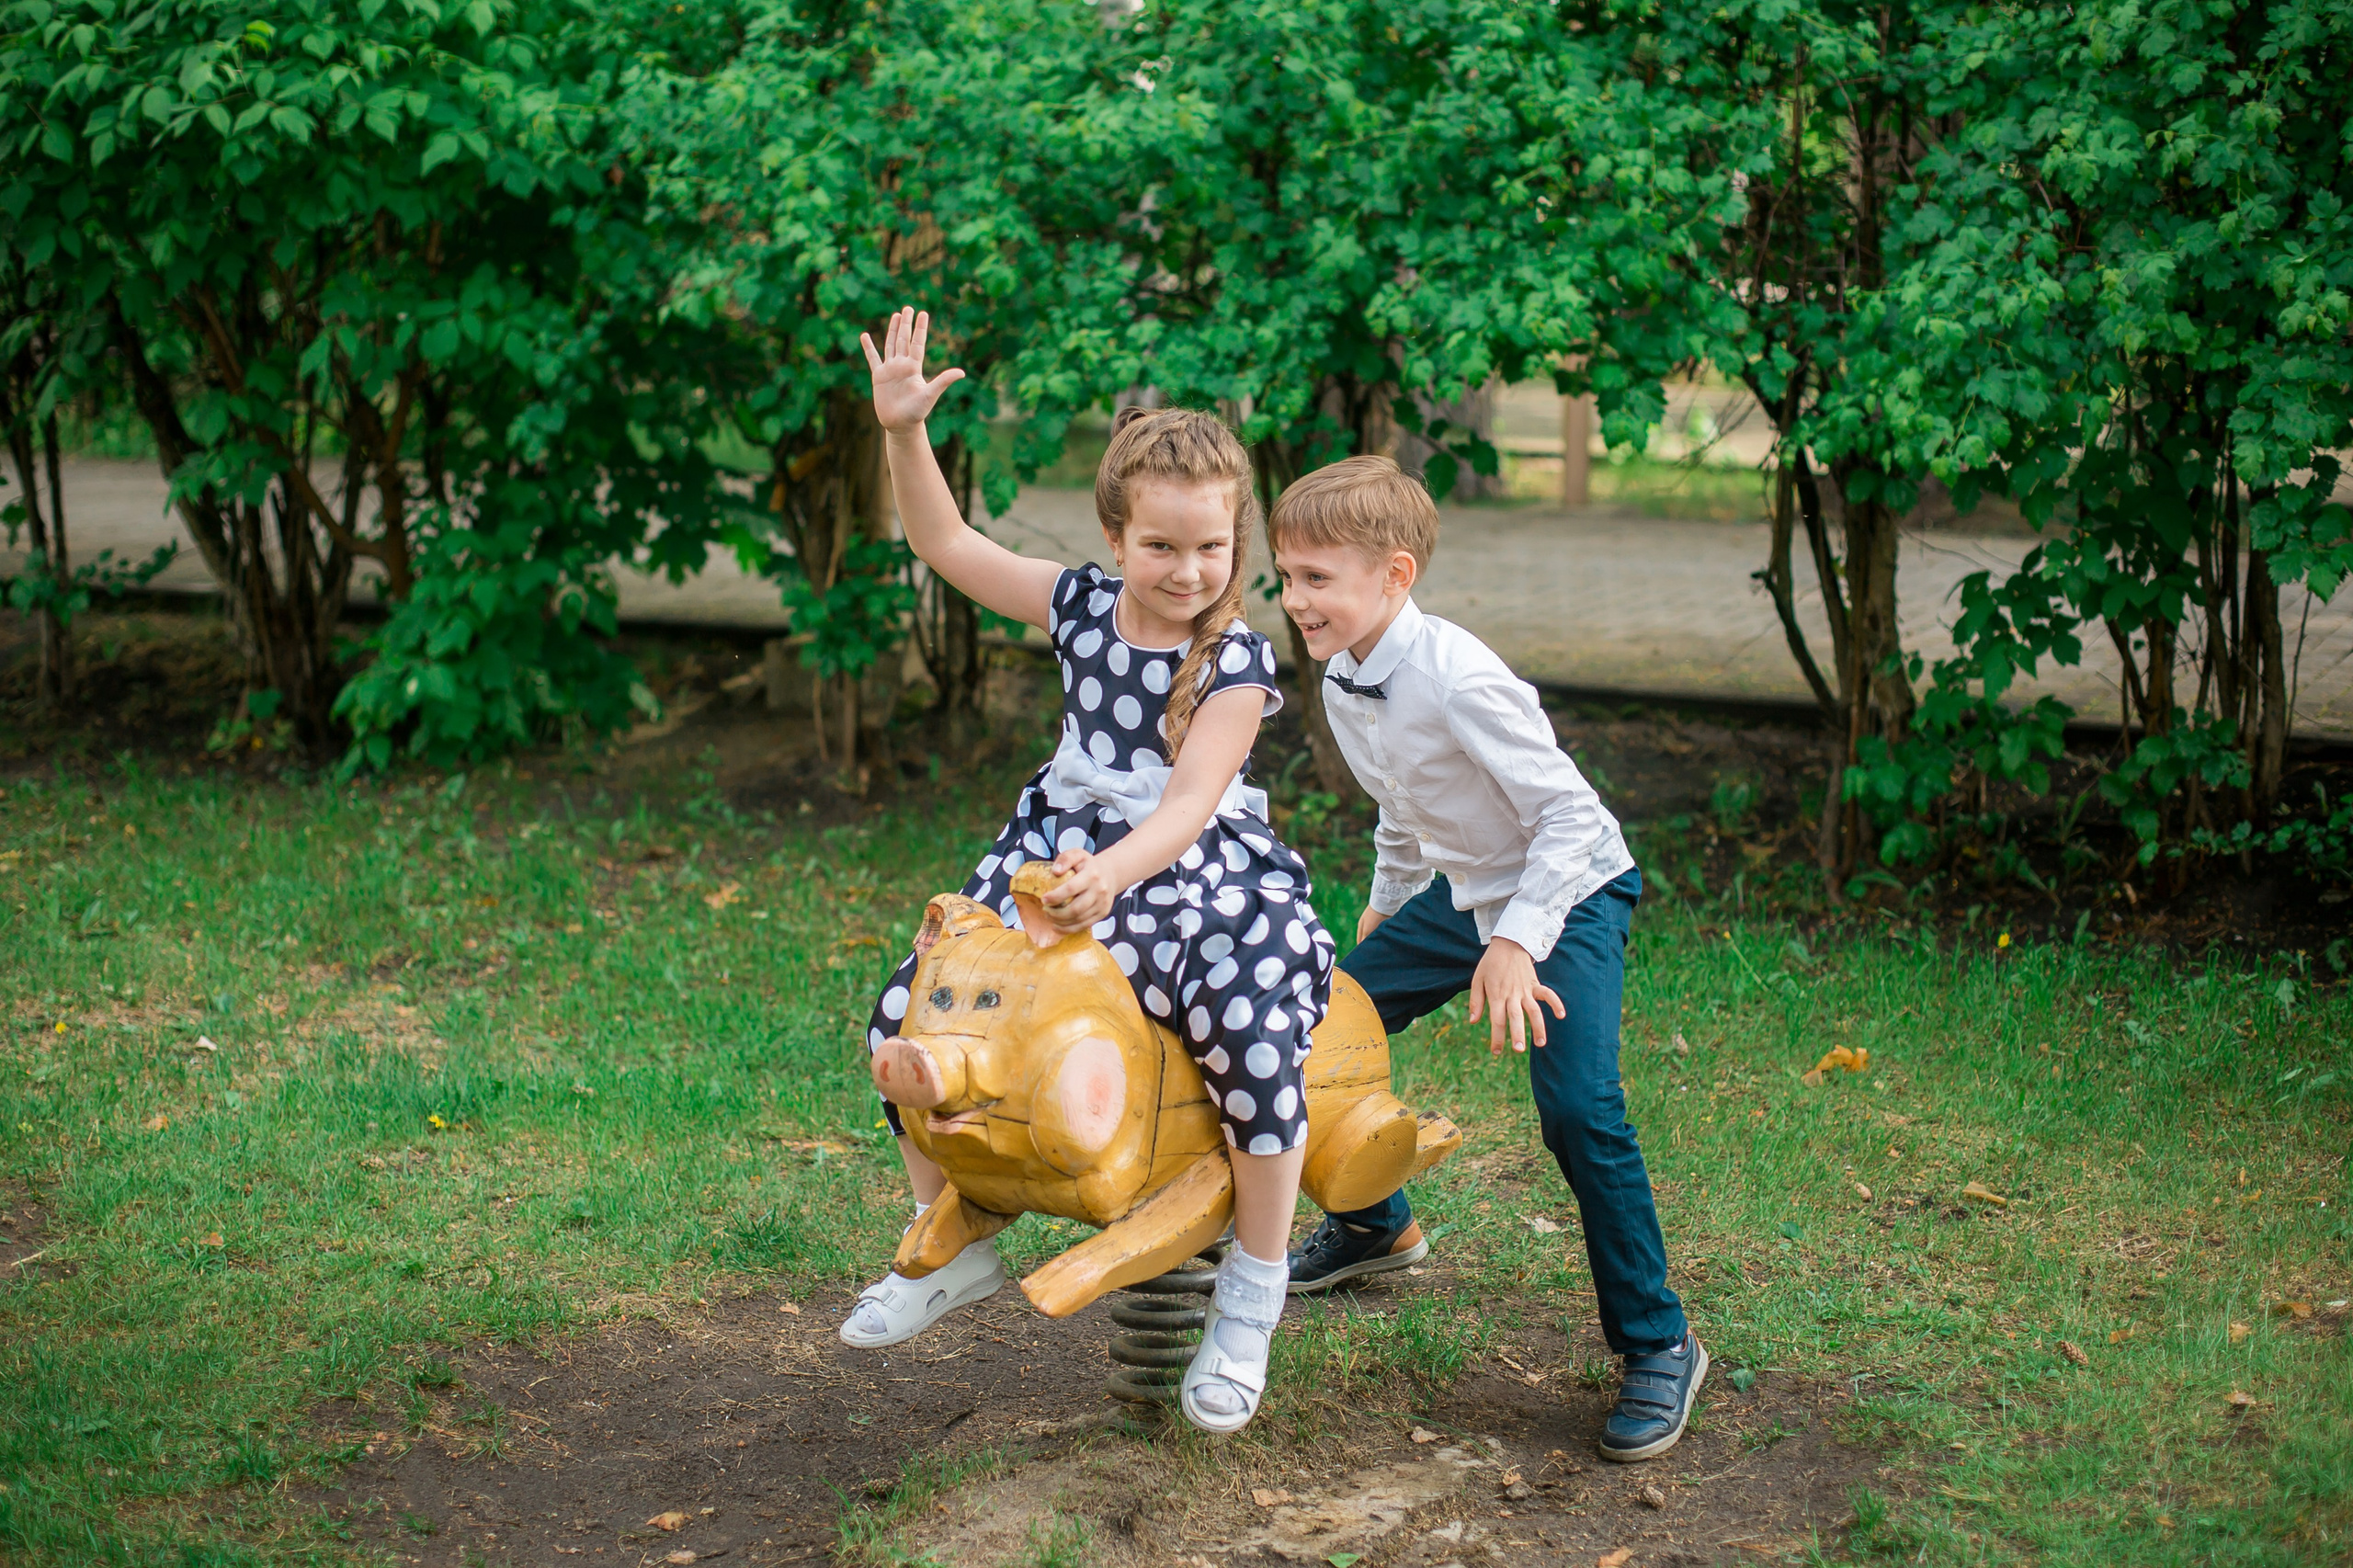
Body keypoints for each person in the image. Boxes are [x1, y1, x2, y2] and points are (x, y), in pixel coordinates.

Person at [839, 308, 1336, 1435]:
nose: (1186, 569)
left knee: (1244, 1030)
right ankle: (952, 1226)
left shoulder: (1236, 658)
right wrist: (902, 432)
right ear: (1115, 538)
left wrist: (1108, 878)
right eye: (1160, 547)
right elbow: (946, 544)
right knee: (904, 1011)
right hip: (1054, 847)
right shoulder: (1076, 605)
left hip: (1188, 865)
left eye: (1210, 548)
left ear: (1236, 543)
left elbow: (1192, 800)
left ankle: (1253, 1289)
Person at [1267, 455, 1704, 1462]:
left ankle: (1659, 1339)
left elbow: (1567, 815)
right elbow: (1402, 806)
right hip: (1466, 897)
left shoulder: (1456, 676)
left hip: (1571, 890)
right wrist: (1382, 912)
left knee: (1578, 1108)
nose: (1296, 599)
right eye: (1287, 577)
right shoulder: (1341, 674)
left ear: (1395, 574)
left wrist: (1515, 940)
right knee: (1306, 1022)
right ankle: (1375, 1225)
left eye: (1317, 578)